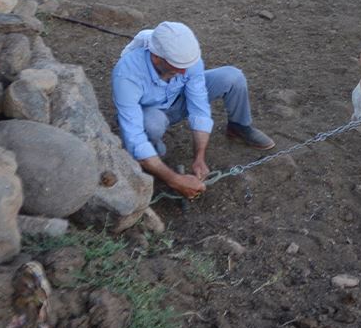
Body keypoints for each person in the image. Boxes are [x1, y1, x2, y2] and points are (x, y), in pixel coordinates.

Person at [111, 21, 275, 199]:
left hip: (179, 100)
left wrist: (199, 157)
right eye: (177, 66)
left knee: (232, 77)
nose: (184, 71)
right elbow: (135, 138)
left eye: (186, 66)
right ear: (157, 58)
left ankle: (239, 126)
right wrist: (173, 179)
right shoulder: (126, 75)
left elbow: (199, 107)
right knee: (151, 125)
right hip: (151, 113)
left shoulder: (186, 60)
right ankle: (153, 158)